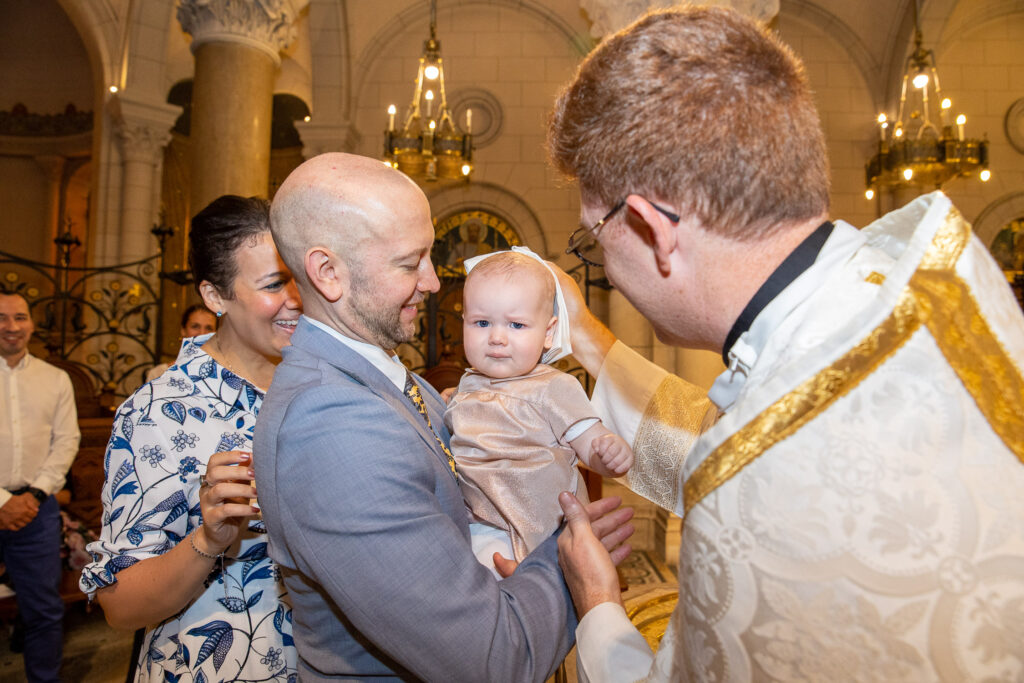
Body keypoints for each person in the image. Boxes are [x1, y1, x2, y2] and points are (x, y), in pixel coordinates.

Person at [545, 7, 1024, 682]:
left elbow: (761, 481)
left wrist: (596, 603)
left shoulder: (762, 501)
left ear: (653, 230)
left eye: (593, 238)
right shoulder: (925, 273)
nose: (599, 262)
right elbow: (773, 435)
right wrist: (592, 343)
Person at [255, 152, 635, 681]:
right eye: (411, 263)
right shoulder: (331, 424)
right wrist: (573, 567)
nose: (435, 283)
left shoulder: (392, 377)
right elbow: (489, 658)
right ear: (328, 272)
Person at [80, 195, 302, 681]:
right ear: (214, 297)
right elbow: (120, 606)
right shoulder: (159, 413)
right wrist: (209, 538)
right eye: (273, 284)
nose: (297, 298)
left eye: (298, 278)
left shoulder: (323, 385)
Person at [445, 249, 633, 571]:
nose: (497, 338)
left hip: (539, 532)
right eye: (482, 322)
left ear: (548, 333)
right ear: (464, 323)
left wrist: (609, 454)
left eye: (516, 325)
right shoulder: (466, 386)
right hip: (475, 522)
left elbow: (590, 445)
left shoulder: (553, 388)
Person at [0, 291, 80, 683]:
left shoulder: (55, 379)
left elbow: (67, 441)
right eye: (2, 317)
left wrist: (31, 496)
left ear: (32, 322)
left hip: (37, 508)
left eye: (19, 317)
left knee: (44, 610)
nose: (11, 327)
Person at [144, 304, 218, 383]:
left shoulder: (225, 375)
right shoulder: (159, 374)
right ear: (183, 330)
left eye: (208, 328)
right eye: (195, 326)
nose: (202, 334)